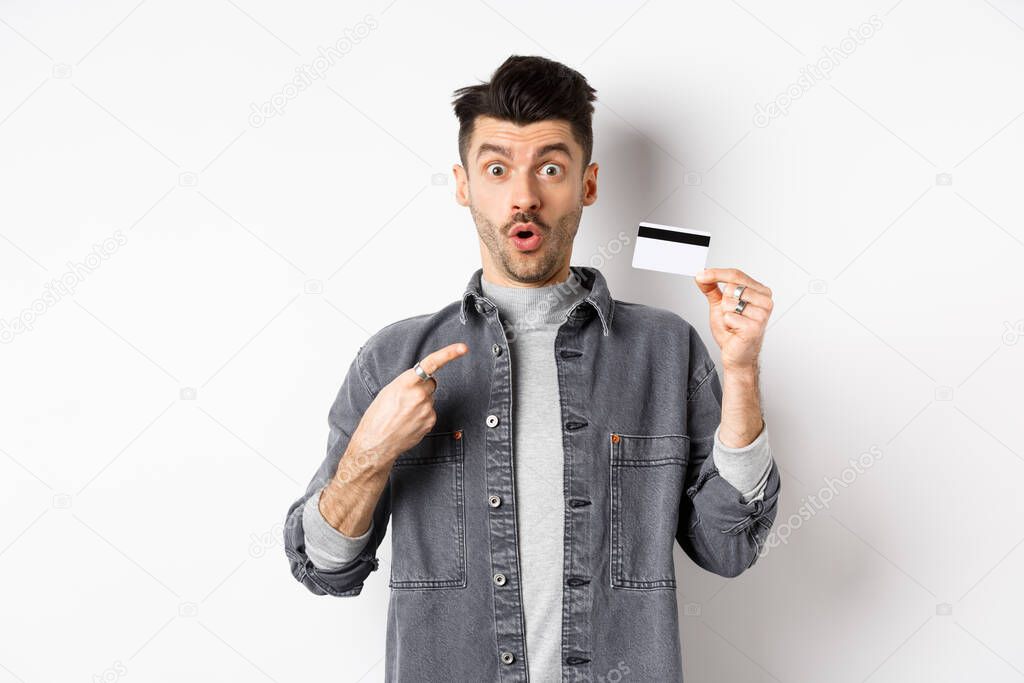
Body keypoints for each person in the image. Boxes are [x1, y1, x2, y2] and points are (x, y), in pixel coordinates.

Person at [283, 54, 780, 682]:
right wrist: (370, 454)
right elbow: (326, 568)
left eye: (550, 168)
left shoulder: (665, 350)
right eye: (497, 169)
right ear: (463, 185)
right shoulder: (394, 359)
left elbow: (729, 547)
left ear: (588, 185)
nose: (524, 197)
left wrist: (741, 374)